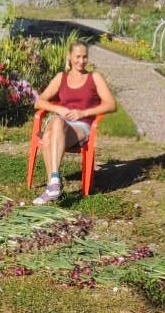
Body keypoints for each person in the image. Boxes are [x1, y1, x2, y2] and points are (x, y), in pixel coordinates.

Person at [31, 42, 116, 205]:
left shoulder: (94, 78)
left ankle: (53, 183)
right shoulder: (60, 78)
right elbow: (39, 102)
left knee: (54, 127)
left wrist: (82, 113)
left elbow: (110, 104)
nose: (81, 61)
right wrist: (59, 109)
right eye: (78, 56)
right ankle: (54, 186)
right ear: (69, 57)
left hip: (81, 127)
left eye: (85, 57)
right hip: (61, 125)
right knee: (53, 128)